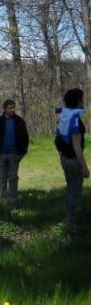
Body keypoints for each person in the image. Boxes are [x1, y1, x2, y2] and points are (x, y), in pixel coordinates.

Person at [55, 88, 89, 225]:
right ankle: (71, 220)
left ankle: (70, 213)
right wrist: (85, 167)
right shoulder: (75, 120)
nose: (83, 101)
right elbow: (77, 147)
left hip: (64, 157)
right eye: (82, 98)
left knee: (71, 187)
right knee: (75, 189)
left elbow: (58, 137)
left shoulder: (64, 115)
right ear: (78, 101)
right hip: (73, 160)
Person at [0, 99, 29, 206]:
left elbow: (25, 138)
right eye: (10, 108)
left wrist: (22, 153)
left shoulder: (19, 121)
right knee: (2, 178)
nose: (13, 110)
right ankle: (2, 201)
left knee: (13, 178)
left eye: (14, 107)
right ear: (5, 109)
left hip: (15, 155)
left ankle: (13, 201)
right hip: (0, 155)